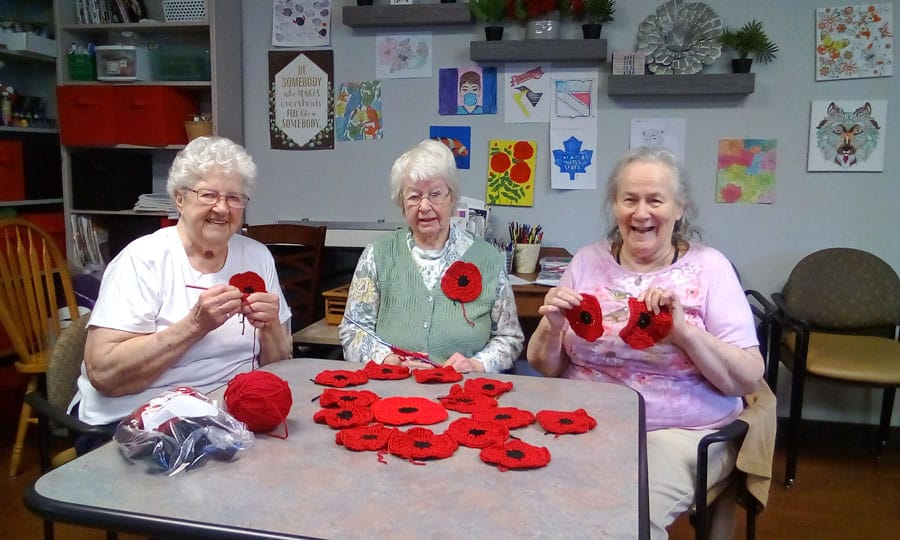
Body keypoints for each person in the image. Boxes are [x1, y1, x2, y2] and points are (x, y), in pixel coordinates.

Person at [527, 147, 765, 539]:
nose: (641, 214)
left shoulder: (710, 268)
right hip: (583, 421)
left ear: (679, 208)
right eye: (629, 200)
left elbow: (746, 379)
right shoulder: (586, 261)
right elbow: (546, 367)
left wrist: (683, 333)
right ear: (614, 206)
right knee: (529, 498)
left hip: (677, 433)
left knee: (625, 521)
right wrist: (552, 327)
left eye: (655, 200)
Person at [71, 136, 292, 450]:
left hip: (228, 417)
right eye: (208, 194)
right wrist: (195, 325)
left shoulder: (257, 256)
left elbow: (280, 361)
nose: (221, 208)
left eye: (234, 198)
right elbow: (103, 373)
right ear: (179, 199)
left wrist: (270, 327)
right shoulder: (143, 259)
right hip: (134, 424)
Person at [339, 139, 523, 373]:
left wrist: (476, 364)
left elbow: (510, 337)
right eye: (414, 196)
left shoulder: (487, 258)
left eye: (435, 194)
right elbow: (353, 330)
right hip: (393, 388)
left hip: (465, 392)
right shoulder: (378, 253)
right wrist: (386, 360)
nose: (424, 206)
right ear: (402, 203)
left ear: (452, 198)